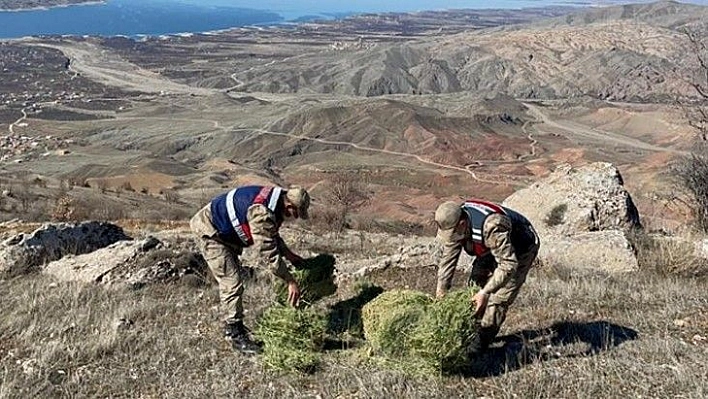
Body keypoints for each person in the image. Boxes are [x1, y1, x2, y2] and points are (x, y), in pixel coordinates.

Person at [190, 184, 311, 354]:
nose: (295, 217)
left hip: (223, 232)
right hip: (210, 231)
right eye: (296, 213)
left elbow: (271, 235)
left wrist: (289, 255)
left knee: (233, 278)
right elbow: (267, 252)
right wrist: (290, 280)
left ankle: (231, 326)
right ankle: (235, 335)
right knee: (232, 281)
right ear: (289, 206)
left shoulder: (275, 201)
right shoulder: (261, 211)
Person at [434, 198, 540, 355]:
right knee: (473, 289)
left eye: (454, 232)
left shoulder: (492, 226)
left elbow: (508, 265)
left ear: (462, 224)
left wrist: (485, 292)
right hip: (490, 249)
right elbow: (448, 258)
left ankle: (477, 348)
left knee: (498, 299)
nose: (451, 237)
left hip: (520, 249)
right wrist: (441, 291)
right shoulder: (454, 220)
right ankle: (468, 331)